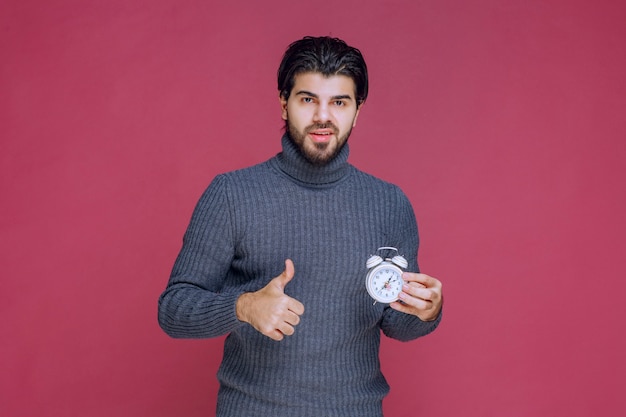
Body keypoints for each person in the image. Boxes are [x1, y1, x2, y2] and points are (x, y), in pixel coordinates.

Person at [158, 36, 443, 417]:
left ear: (358, 110)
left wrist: (427, 311)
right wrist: (242, 306)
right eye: (308, 99)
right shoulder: (232, 194)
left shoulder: (390, 204)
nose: (322, 116)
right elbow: (173, 310)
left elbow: (396, 323)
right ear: (283, 102)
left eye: (338, 102)